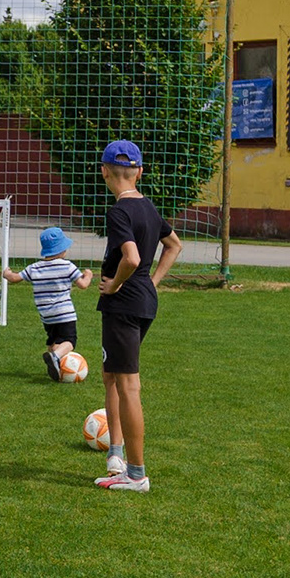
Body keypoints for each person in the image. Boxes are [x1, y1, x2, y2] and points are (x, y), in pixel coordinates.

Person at [92, 137, 179, 494]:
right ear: (139, 172)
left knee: (128, 385)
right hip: (142, 301)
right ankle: (116, 453)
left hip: (124, 304)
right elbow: (174, 245)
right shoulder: (148, 207)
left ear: (104, 172)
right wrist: (152, 282)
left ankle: (136, 474)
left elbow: (132, 258)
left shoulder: (119, 212)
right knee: (111, 375)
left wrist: (114, 285)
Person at [9, 223, 83, 376]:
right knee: (69, 341)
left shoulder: (35, 267)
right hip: (64, 313)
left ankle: (56, 365)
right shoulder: (67, 266)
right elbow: (83, 284)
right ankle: (55, 357)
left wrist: (7, 273)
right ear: (62, 249)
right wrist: (88, 275)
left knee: (54, 341)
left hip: (47, 316)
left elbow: (15, 278)